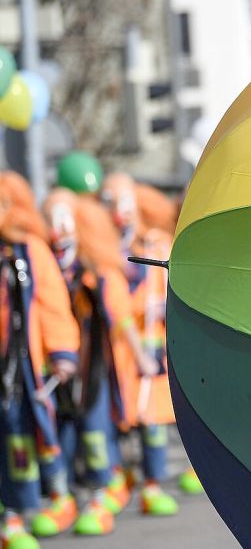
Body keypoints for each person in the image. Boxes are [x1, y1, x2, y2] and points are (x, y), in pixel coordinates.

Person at [38, 190, 152, 536]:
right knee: (63, 435)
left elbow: (121, 318)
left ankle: (106, 490)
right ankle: (67, 496)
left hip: (99, 369)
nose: (59, 232)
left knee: (95, 429)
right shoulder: (48, 268)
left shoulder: (100, 272)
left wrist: (141, 357)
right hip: (62, 367)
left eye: (66, 221)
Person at [100, 174, 197, 514]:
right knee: (119, 419)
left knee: (154, 417)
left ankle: (153, 484)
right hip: (118, 353)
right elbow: (114, 303)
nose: (119, 212)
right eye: (111, 203)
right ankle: (122, 479)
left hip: (153, 347)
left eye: (125, 203)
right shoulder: (105, 251)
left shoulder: (156, 245)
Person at [0, 171, 80, 549]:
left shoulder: (30, 249)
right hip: (4, 369)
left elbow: (51, 304)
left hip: (28, 367)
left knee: (43, 434)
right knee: (13, 439)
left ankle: (60, 497)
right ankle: (16, 511)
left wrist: (62, 353)